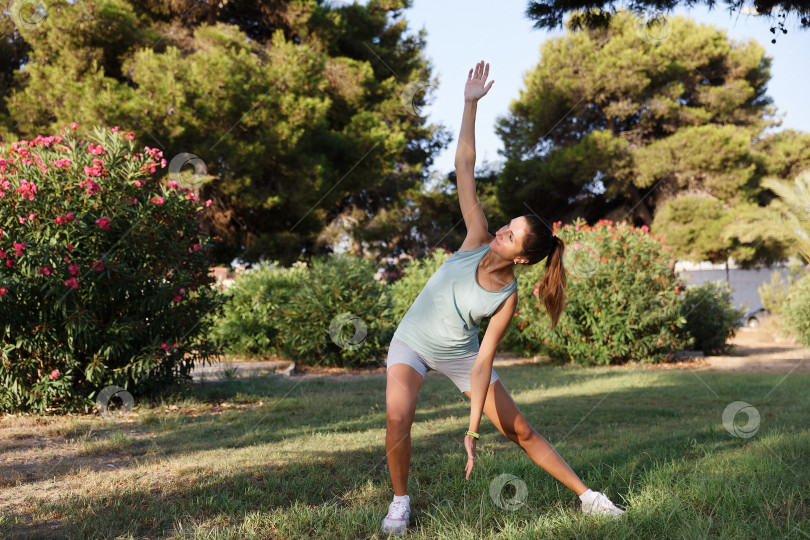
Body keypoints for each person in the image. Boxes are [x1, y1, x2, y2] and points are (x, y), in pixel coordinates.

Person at [380, 61, 626, 536]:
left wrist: (473, 431)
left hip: (460, 358)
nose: (501, 230)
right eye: (508, 224)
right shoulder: (474, 236)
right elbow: (464, 166)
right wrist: (470, 103)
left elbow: (480, 364)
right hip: (411, 341)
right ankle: (400, 502)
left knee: (521, 431)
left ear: (521, 259)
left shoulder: (506, 299)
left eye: (511, 235)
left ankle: (589, 498)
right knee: (397, 417)